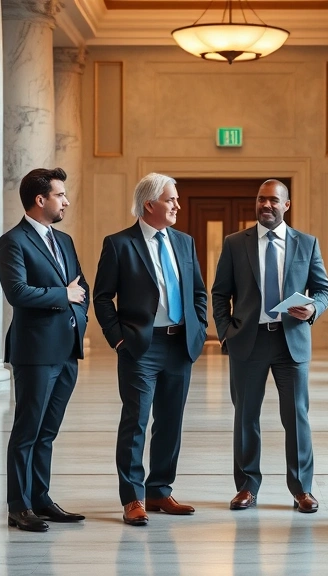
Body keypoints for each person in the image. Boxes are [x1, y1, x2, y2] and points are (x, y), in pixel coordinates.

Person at [211, 179, 328, 513]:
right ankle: (247, 487)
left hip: (290, 341)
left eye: (274, 201)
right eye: (262, 200)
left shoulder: (306, 244)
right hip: (247, 341)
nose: (266, 206)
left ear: (286, 205)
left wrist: (312, 309)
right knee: (246, 417)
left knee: (296, 417)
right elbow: (220, 293)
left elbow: (325, 290)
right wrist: (225, 332)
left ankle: (302, 489)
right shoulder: (236, 243)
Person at [93, 173, 208, 526]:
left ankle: (159, 490)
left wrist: (199, 329)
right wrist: (119, 338)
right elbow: (101, 298)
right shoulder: (119, 244)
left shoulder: (185, 242)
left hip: (179, 344)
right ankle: (133, 498)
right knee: (136, 422)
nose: (177, 205)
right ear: (150, 205)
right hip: (140, 346)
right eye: (171, 199)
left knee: (170, 422)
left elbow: (199, 292)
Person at [0, 167, 90, 532]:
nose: (66, 200)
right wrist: (62, 296)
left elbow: (82, 288)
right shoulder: (12, 241)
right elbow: (17, 293)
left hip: (67, 349)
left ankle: (41, 499)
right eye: (60, 195)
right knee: (27, 430)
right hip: (34, 352)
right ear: (40, 199)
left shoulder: (64, 240)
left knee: (48, 430)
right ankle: (19, 505)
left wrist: (77, 316)